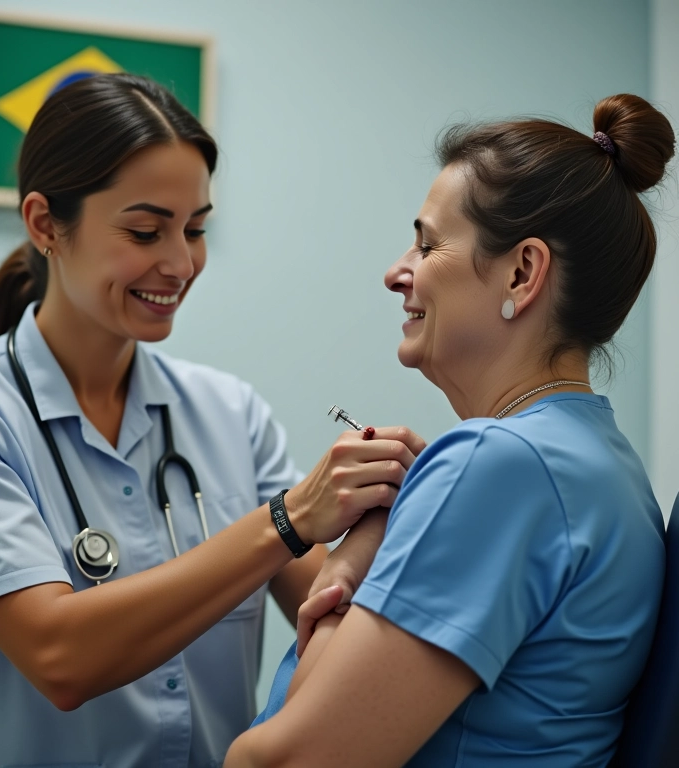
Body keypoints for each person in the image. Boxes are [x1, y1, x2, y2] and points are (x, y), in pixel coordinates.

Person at [0, 73, 425, 768]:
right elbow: (61, 657)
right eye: (146, 230)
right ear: (44, 224)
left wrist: (396, 510)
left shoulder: (231, 414)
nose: (182, 263)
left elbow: (333, 605)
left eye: (197, 228)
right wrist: (289, 518)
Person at [224, 93, 675, 768]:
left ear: (522, 273)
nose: (395, 272)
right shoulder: (605, 465)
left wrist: (354, 560)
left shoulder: (498, 464)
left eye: (428, 243)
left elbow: (281, 762)